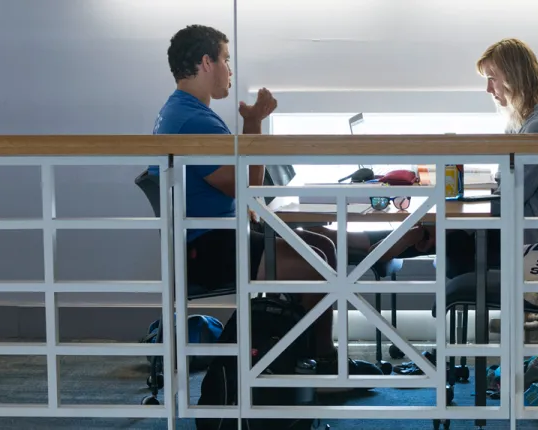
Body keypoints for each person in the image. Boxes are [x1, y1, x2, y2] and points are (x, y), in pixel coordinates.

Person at [151, 24, 381, 385]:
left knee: (322, 244)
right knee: (317, 266)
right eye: (226, 59)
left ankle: (319, 355)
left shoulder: (178, 111)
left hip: (210, 238)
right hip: (209, 249)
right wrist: (255, 123)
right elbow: (247, 187)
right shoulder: (195, 121)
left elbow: (237, 187)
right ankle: (309, 364)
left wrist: (250, 128)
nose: (230, 70)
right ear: (207, 63)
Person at [311, 38, 538, 278]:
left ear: (514, 77)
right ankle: (370, 242)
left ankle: (363, 243)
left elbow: (509, 197)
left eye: (493, 78)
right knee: (437, 227)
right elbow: (509, 184)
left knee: (440, 231)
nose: (489, 89)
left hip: (526, 242)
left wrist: (450, 219)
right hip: (521, 229)